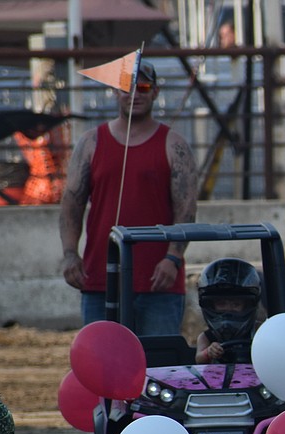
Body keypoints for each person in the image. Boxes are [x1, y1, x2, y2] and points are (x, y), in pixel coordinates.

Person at [59, 60, 198, 336]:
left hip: (158, 283)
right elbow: (71, 203)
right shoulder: (91, 143)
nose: (135, 94)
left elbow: (187, 210)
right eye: (127, 87)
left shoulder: (174, 145)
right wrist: (70, 254)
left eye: (144, 87)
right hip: (100, 279)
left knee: (158, 366)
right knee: (101, 368)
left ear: (156, 92)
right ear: (115, 92)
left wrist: (173, 259)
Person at [194, 258, 262, 364]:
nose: (229, 309)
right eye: (221, 304)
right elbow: (198, 359)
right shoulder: (206, 337)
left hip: (254, 379)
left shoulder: (259, 331)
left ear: (247, 305)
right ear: (211, 305)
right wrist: (209, 352)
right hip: (216, 379)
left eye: (236, 304)